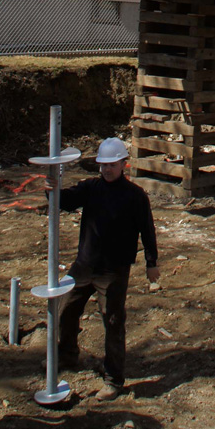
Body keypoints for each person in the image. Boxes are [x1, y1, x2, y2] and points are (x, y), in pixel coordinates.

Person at [54, 136, 160, 400]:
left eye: (112, 164)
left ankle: (113, 379)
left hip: (113, 272)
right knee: (64, 309)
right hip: (84, 266)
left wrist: (151, 263)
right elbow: (65, 201)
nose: (107, 169)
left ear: (124, 164)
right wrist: (52, 190)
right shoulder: (90, 188)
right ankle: (67, 355)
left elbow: (147, 230)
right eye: (103, 165)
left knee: (112, 322)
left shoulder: (135, 196)